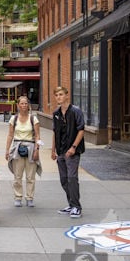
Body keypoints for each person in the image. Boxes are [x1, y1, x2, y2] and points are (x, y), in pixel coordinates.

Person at [50, 86, 86, 218]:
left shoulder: (76, 111)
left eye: (60, 94)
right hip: (60, 151)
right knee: (64, 179)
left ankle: (76, 207)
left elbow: (81, 130)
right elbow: (54, 132)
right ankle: (71, 204)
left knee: (72, 178)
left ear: (66, 95)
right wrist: (53, 150)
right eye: (56, 95)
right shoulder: (56, 113)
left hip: (72, 151)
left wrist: (74, 147)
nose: (58, 97)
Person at [5, 95, 42, 207]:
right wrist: (7, 150)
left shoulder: (33, 119)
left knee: (30, 176)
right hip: (17, 148)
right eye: (22, 103)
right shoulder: (13, 119)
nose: (24, 105)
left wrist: (37, 150)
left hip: (30, 147)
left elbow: (37, 136)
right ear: (18, 105)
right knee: (17, 175)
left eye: (26, 103)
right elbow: (10, 135)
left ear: (28, 105)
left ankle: (30, 198)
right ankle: (18, 197)